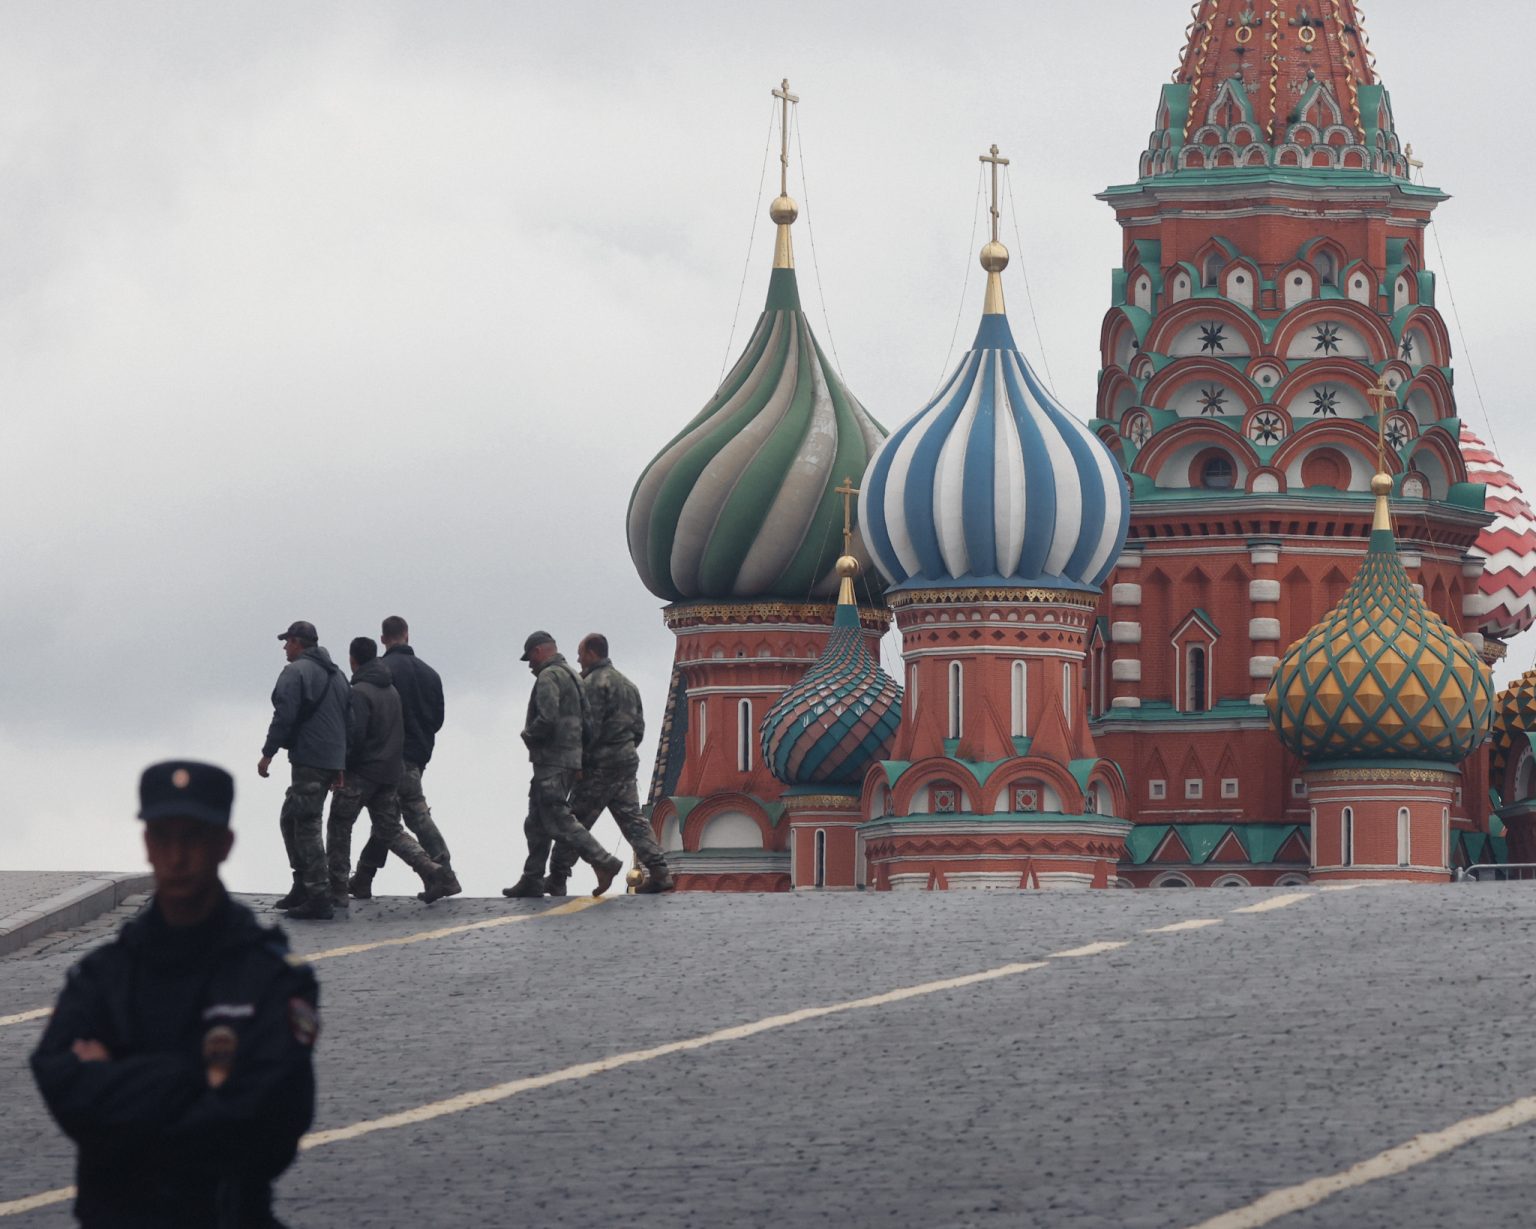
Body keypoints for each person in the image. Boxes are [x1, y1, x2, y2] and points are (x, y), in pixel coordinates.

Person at [31, 760, 319, 1228]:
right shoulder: (104, 973)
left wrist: (122, 1082)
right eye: (163, 837)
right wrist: (193, 1081)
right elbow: (59, 1079)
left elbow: (270, 1121)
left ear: (223, 845)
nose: (177, 856)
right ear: (146, 843)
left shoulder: (270, 977)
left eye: (194, 838)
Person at [326, 637, 453, 911]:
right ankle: (431, 868)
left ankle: (336, 888)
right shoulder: (391, 691)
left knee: (339, 824)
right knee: (391, 830)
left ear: (353, 659)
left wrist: (341, 767)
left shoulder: (359, 691)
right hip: (390, 770)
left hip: (362, 772)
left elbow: (355, 735)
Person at [542, 633, 674, 895]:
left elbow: (584, 728)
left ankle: (558, 875)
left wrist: (577, 763)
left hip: (597, 767)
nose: (578, 660)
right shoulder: (628, 684)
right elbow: (639, 729)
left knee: (573, 819)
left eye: (581, 654)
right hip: (625, 763)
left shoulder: (590, 684)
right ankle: (660, 872)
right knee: (632, 820)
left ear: (592, 653)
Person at [503, 630, 624, 899]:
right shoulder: (574, 676)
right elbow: (589, 724)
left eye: (530, 660)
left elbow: (547, 718)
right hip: (568, 760)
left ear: (537, 652)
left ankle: (603, 861)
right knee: (535, 821)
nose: (531, 666)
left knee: (560, 819)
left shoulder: (549, 677)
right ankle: (532, 878)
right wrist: (579, 758)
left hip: (552, 761)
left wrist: (528, 735)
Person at [258, 620, 349, 920]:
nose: (285, 647)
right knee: (291, 816)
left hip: (309, 758)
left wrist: (267, 754)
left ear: (298, 642)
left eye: (287, 641)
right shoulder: (339, 676)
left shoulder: (295, 672)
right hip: (329, 759)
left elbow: (284, 715)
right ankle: (302, 884)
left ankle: (318, 895)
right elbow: (347, 720)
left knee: (306, 824)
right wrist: (340, 763)